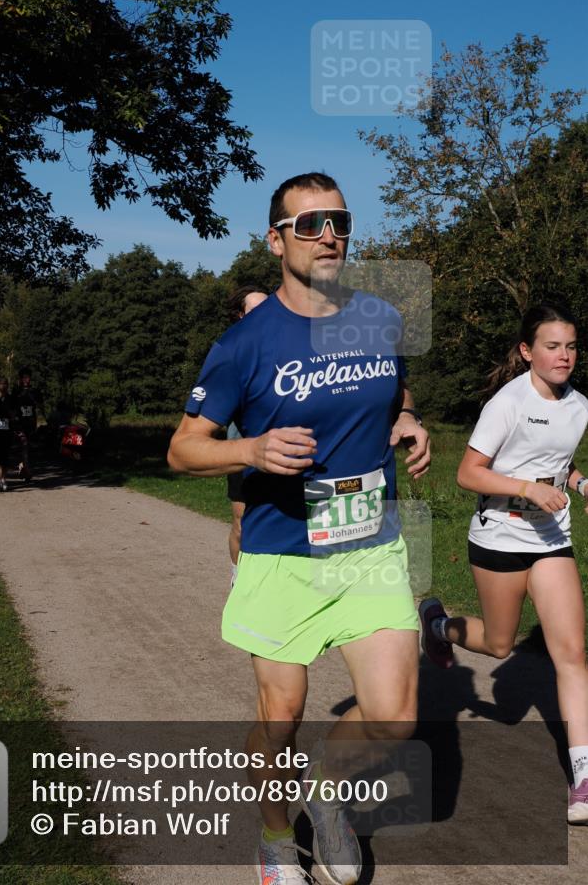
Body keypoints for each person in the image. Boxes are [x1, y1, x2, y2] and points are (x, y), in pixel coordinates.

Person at [168, 172, 430, 885]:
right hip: (282, 555)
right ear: (276, 238)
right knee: (279, 718)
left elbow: (394, 388)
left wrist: (405, 420)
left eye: (338, 220)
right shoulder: (244, 344)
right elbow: (183, 447)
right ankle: (277, 835)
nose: (328, 235)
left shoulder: (377, 316)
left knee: (395, 719)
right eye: (309, 223)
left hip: (368, 546)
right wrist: (250, 450)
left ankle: (326, 786)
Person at [419, 303, 588, 826]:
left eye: (571, 346)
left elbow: (557, 461)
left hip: (551, 539)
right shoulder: (506, 403)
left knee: (573, 653)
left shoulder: (579, 403)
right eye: (552, 346)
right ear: (526, 352)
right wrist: (524, 488)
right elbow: (468, 474)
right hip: (500, 535)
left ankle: (583, 779)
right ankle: (439, 625)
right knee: (498, 643)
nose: (564, 356)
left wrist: (579, 483)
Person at [225, 285, 269, 586]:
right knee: (243, 522)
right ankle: (238, 576)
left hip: (285, 438)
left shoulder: (289, 342)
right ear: (240, 316)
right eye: (255, 310)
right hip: (242, 439)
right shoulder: (231, 349)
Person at [11, 366, 43, 482]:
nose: (26, 380)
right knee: (23, 444)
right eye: (23, 378)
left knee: (27, 446)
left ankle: (22, 466)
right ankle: (27, 470)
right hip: (19, 422)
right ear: (20, 379)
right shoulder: (16, 391)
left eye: (28, 378)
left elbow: (40, 405)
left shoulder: (35, 391)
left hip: (31, 422)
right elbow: (12, 407)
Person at [0, 377, 17, 492]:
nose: (3, 386)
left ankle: (3, 479)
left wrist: (13, 417)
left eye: (5, 384)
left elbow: (15, 413)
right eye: (1, 384)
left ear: (7, 385)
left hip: (7, 430)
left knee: (5, 456)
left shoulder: (12, 399)